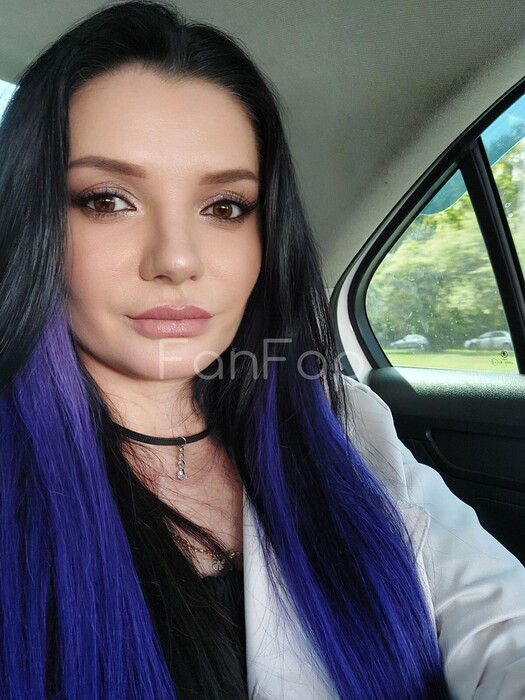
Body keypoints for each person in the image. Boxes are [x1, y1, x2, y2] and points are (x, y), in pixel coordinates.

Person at [0, 2, 524, 698]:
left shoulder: (346, 426)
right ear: (31, 220)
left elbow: (504, 628)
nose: (177, 260)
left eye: (225, 207)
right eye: (106, 200)